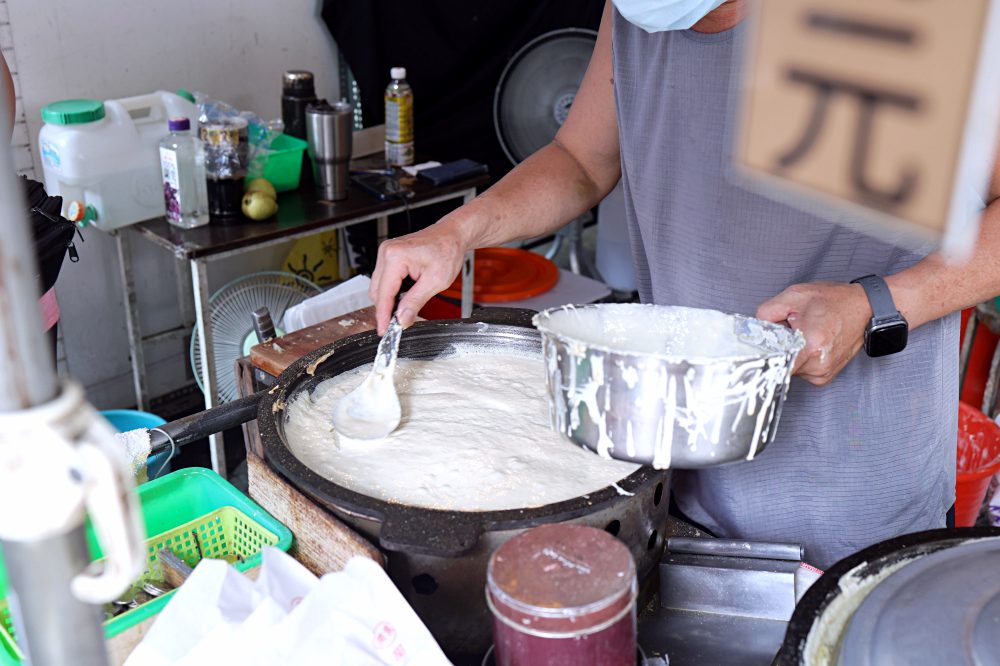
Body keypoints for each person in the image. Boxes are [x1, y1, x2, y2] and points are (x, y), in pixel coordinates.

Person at [369, 0, 1000, 568]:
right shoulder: (644, 14)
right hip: (675, 487)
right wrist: (457, 230)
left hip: (858, 513)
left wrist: (875, 307)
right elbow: (581, 160)